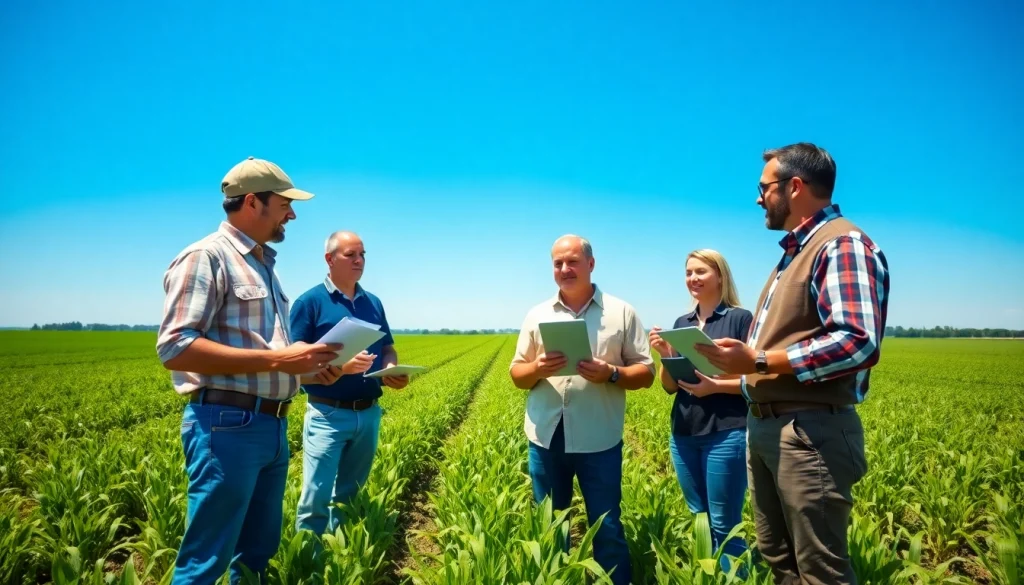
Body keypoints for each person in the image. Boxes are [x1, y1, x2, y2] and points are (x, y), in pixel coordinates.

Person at [694, 142, 890, 585]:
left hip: (809, 432)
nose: (758, 197)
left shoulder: (842, 244)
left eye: (763, 187)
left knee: (821, 571)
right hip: (769, 426)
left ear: (795, 186)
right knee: (779, 561)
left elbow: (857, 341)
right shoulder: (793, 252)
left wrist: (760, 360)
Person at [156, 156, 342, 584]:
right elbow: (175, 346)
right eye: (284, 204)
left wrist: (309, 371)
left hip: (272, 426)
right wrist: (279, 359)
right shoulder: (206, 257)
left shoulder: (264, 265)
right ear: (253, 202)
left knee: (256, 552)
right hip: (226, 425)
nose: (292, 214)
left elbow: (262, 352)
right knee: (206, 561)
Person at [509, 234, 655, 585]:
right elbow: (517, 373)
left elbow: (647, 373)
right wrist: (538, 368)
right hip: (545, 436)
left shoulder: (621, 312)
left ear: (590, 264)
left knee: (606, 526)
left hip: (598, 439)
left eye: (572, 261)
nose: (564, 269)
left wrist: (612, 373)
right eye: (558, 263)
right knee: (549, 527)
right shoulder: (537, 314)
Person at [289, 230, 409, 538]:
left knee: (349, 496)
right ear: (329, 259)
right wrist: (340, 368)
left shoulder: (373, 302)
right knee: (315, 498)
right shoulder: (309, 302)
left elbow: (387, 347)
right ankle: (309, 562)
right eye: (351, 255)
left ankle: (340, 554)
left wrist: (390, 367)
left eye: (363, 255)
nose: (359, 260)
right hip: (327, 415)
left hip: (368, 413)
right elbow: (293, 362)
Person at [648, 249, 753, 574]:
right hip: (684, 433)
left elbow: (757, 379)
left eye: (701, 272)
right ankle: (712, 576)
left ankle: (738, 577)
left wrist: (715, 387)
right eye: (689, 272)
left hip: (726, 431)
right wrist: (667, 353)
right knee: (700, 517)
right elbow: (669, 386)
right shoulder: (682, 324)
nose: (693, 278)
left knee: (725, 523)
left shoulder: (739, 318)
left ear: (720, 275)